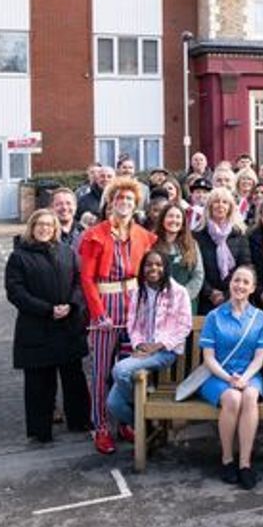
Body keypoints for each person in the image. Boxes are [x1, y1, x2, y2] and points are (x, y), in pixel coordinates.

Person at [79, 177, 156, 454]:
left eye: (129, 200)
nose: (124, 203)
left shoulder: (142, 235)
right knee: (100, 372)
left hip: (133, 307)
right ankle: (99, 426)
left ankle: (125, 420)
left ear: (136, 205)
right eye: (120, 199)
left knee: (129, 372)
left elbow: (148, 275)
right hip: (106, 307)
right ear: (111, 203)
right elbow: (86, 279)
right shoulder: (95, 234)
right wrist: (98, 314)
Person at [6, 209, 91, 443]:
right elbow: (16, 292)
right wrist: (47, 309)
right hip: (36, 327)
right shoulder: (19, 257)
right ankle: (40, 430)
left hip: (67, 325)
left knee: (74, 378)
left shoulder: (67, 252)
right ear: (32, 228)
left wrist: (72, 305)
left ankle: (80, 420)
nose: (44, 228)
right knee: (39, 382)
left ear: (55, 229)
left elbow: (79, 282)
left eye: (49, 225)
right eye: (40, 224)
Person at [106, 250, 191, 441]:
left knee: (119, 370)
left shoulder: (178, 292)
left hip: (165, 352)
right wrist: (139, 345)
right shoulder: (138, 292)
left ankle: (145, 411)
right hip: (143, 351)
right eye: (149, 264)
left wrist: (159, 345)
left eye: (158, 264)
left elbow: (184, 326)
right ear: (143, 268)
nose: (154, 268)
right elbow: (132, 324)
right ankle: (148, 426)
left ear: (165, 267)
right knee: (113, 404)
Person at [198, 265, 263, 490]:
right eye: (236, 280)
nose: (240, 285)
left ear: (252, 288)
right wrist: (229, 379)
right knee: (232, 399)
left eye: (245, 282)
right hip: (217, 376)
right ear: (230, 284)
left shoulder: (259, 318)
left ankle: (245, 464)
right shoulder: (214, 316)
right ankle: (227, 459)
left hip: (249, 375)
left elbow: (259, 358)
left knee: (249, 396)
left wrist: (244, 378)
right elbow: (208, 358)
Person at [194, 188, 252, 315]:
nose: (220, 205)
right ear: (209, 207)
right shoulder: (198, 235)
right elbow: (195, 268)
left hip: (235, 296)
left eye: (225, 202)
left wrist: (228, 294)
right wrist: (210, 293)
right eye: (216, 202)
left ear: (231, 207)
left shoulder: (240, 234)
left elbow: (246, 265)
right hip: (206, 299)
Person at [153, 203, 204, 311]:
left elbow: (198, 275)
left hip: (185, 304)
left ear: (183, 222)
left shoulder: (192, 245)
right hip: (158, 303)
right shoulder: (152, 243)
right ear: (163, 219)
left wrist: (182, 297)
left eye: (178, 217)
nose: (174, 220)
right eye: (170, 216)